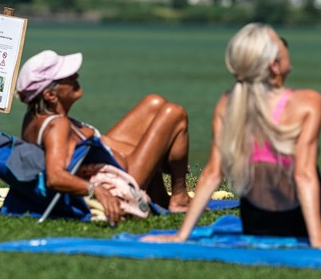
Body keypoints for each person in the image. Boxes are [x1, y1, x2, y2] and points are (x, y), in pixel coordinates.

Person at [142, 23, 321, 251]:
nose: (285, 44)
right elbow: (304, 175)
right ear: (274, 65)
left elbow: (213, 173)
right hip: (303, 218)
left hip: (255, 221)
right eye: (280, 43)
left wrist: (182, 236)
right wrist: (319, 241)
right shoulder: (308, 102)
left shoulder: (228, 102)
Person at [15, 50, 191, 225]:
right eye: (67, 77)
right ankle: (179, 198)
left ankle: (159, 193)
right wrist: (95, 190)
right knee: (174, 113)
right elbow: (55, 177)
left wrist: (160, 157)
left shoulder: (35, 118)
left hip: (111, 163)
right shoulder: (56, 126)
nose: (76, 75)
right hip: (122, 181)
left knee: (154, 103)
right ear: (50, 95)